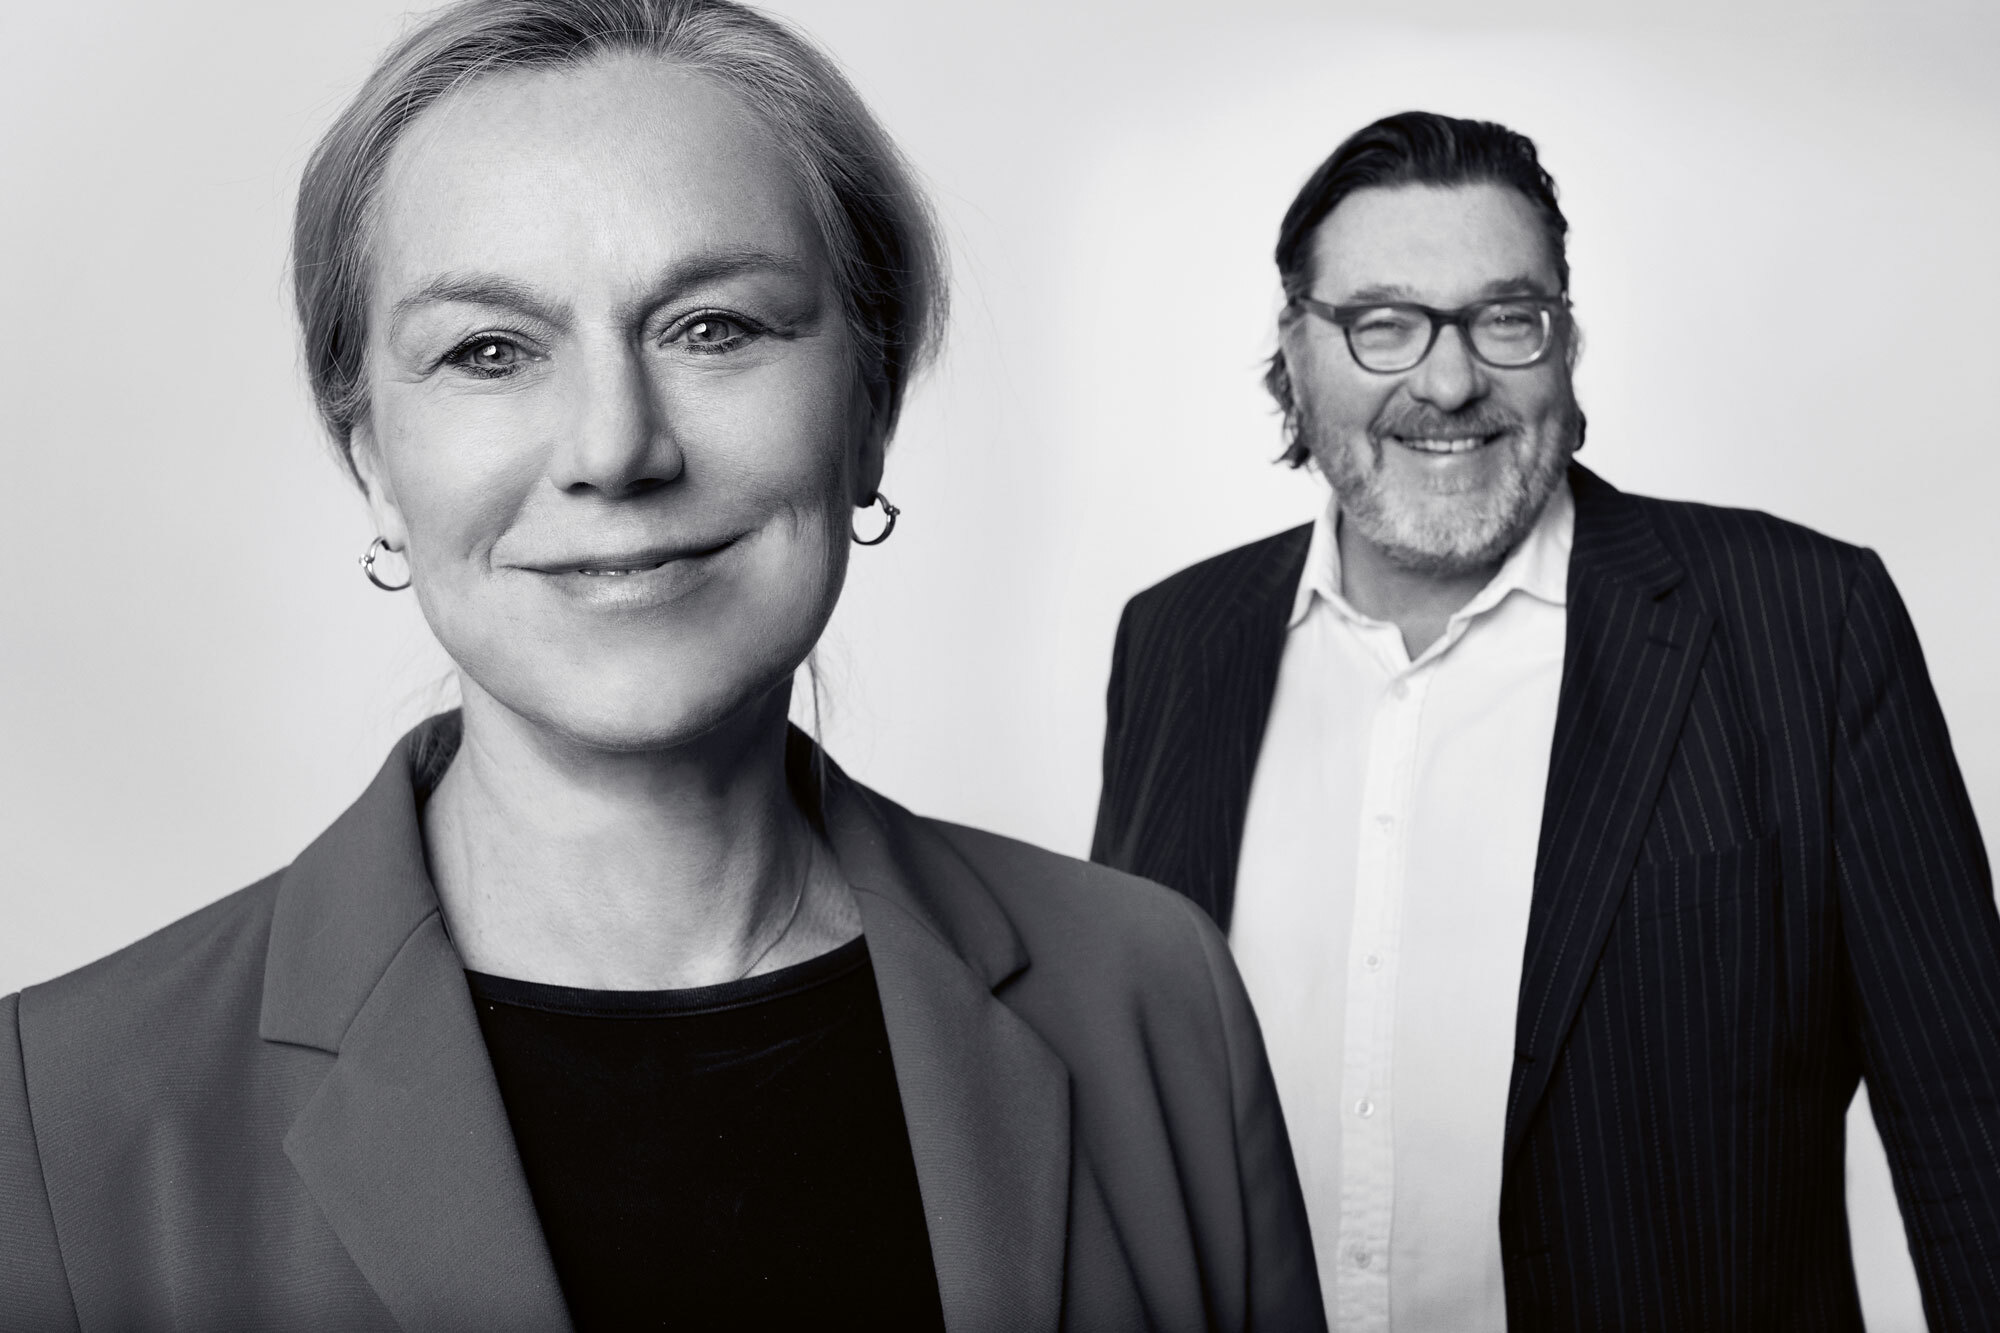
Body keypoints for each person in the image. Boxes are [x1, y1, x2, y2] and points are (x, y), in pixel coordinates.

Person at [0, 2, 1323, 1327]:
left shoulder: (1155, 999)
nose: (614, 447)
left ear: (869, 406)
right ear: (376, 466)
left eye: (715, 328)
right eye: (488, 351)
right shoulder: (58, 1110)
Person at [1091, 110, 2000, 1331]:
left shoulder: (1803, 622)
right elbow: (1124, 1096)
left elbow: (1969, 1127)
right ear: (1292, 354)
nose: (1448, 381)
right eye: (1382, 322)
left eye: (1504, 317)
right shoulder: (1174, 639)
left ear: (1563, 342)